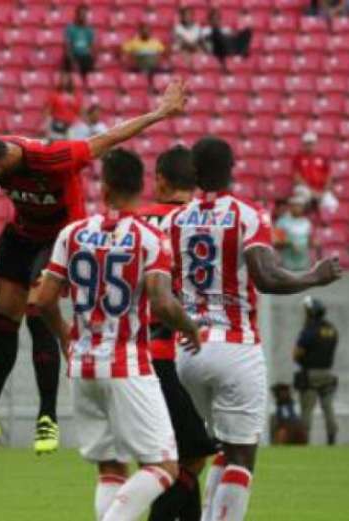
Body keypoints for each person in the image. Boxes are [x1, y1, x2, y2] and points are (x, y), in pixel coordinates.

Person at [0, 79, 189, 455]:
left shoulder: (52, 156)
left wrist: (159, 114)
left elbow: (108, 138)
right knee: (3, 320)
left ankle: (47, 418)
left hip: (59, 240)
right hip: (21, 237)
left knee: (37, 309)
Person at [161, 136, 342, 521]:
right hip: (236, 345)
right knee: (242, 454)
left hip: (189, 351)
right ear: (232, 169)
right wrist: (314, 276)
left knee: (219, 450)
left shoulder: (174, 220)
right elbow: (266, 277)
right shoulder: (247, 214)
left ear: (194, 172)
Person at [35, 148, 202, 521]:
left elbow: (44, 299)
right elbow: (161, 302)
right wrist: (190, 327)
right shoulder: (149, 238)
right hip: (128, 364)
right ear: (142, 186)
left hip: (82, 365)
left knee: (110, 467)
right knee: (164, 468)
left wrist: (64, 337)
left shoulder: (72, 233)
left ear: (105, 187)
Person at [137, 145, 218, 521]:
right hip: (179, 353)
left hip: (134, 354)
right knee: (192, 456)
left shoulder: (135, 223)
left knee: (176, 455)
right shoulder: (203, 223)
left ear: (162, 180)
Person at [293, 296, 340, 445]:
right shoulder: (331, 329)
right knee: (328, 408)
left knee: (306, 409)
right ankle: (331, 439)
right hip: (327, 373)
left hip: (310, 374)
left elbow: (296, 353)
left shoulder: (309, 330)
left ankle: (304, 440)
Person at [292, 132, 335, 210]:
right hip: (305, 188)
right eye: (307, 144)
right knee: (302, 196)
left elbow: (329, 176)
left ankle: (325, 221)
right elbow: (297, 178)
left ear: (316, 144)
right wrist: (312, 191)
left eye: (312, 143)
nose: (309, 146)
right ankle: (302, 221)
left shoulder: (322, 157)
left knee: (332, 204)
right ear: (303, 144)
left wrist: (324, 190)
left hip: (321, 189)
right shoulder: (298, 158)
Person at [274, 195, 313, 271]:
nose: (298, 208)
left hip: (304, 264)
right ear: (290, 207)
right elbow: (277, 242)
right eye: (295, 205)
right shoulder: (281, 222)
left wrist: (313, 242)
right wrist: (290, 244)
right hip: (287, 265)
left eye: (300, 206)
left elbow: (309, 241)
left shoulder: (307, 222)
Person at [63, 4, 95, 87]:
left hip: (85, 57)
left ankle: (87, 86)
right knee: (68, 61)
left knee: (90, 63)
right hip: (73, 56)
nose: (83, 17)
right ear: (76, 15)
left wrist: (93, 59)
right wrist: (72, 61)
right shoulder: (70, 28)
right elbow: (67, 46)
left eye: (84, 15)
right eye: (81, 14)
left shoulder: (89, 30)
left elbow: (92, 47)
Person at [45, 73, 83, 140]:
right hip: (57, 125)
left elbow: (79, 112)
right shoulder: (55, 95)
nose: (65, 82)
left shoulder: (76, 96)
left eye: (67, 80)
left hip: (72, 126)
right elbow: (48, 111)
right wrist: (48, 124)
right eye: (63, 79)